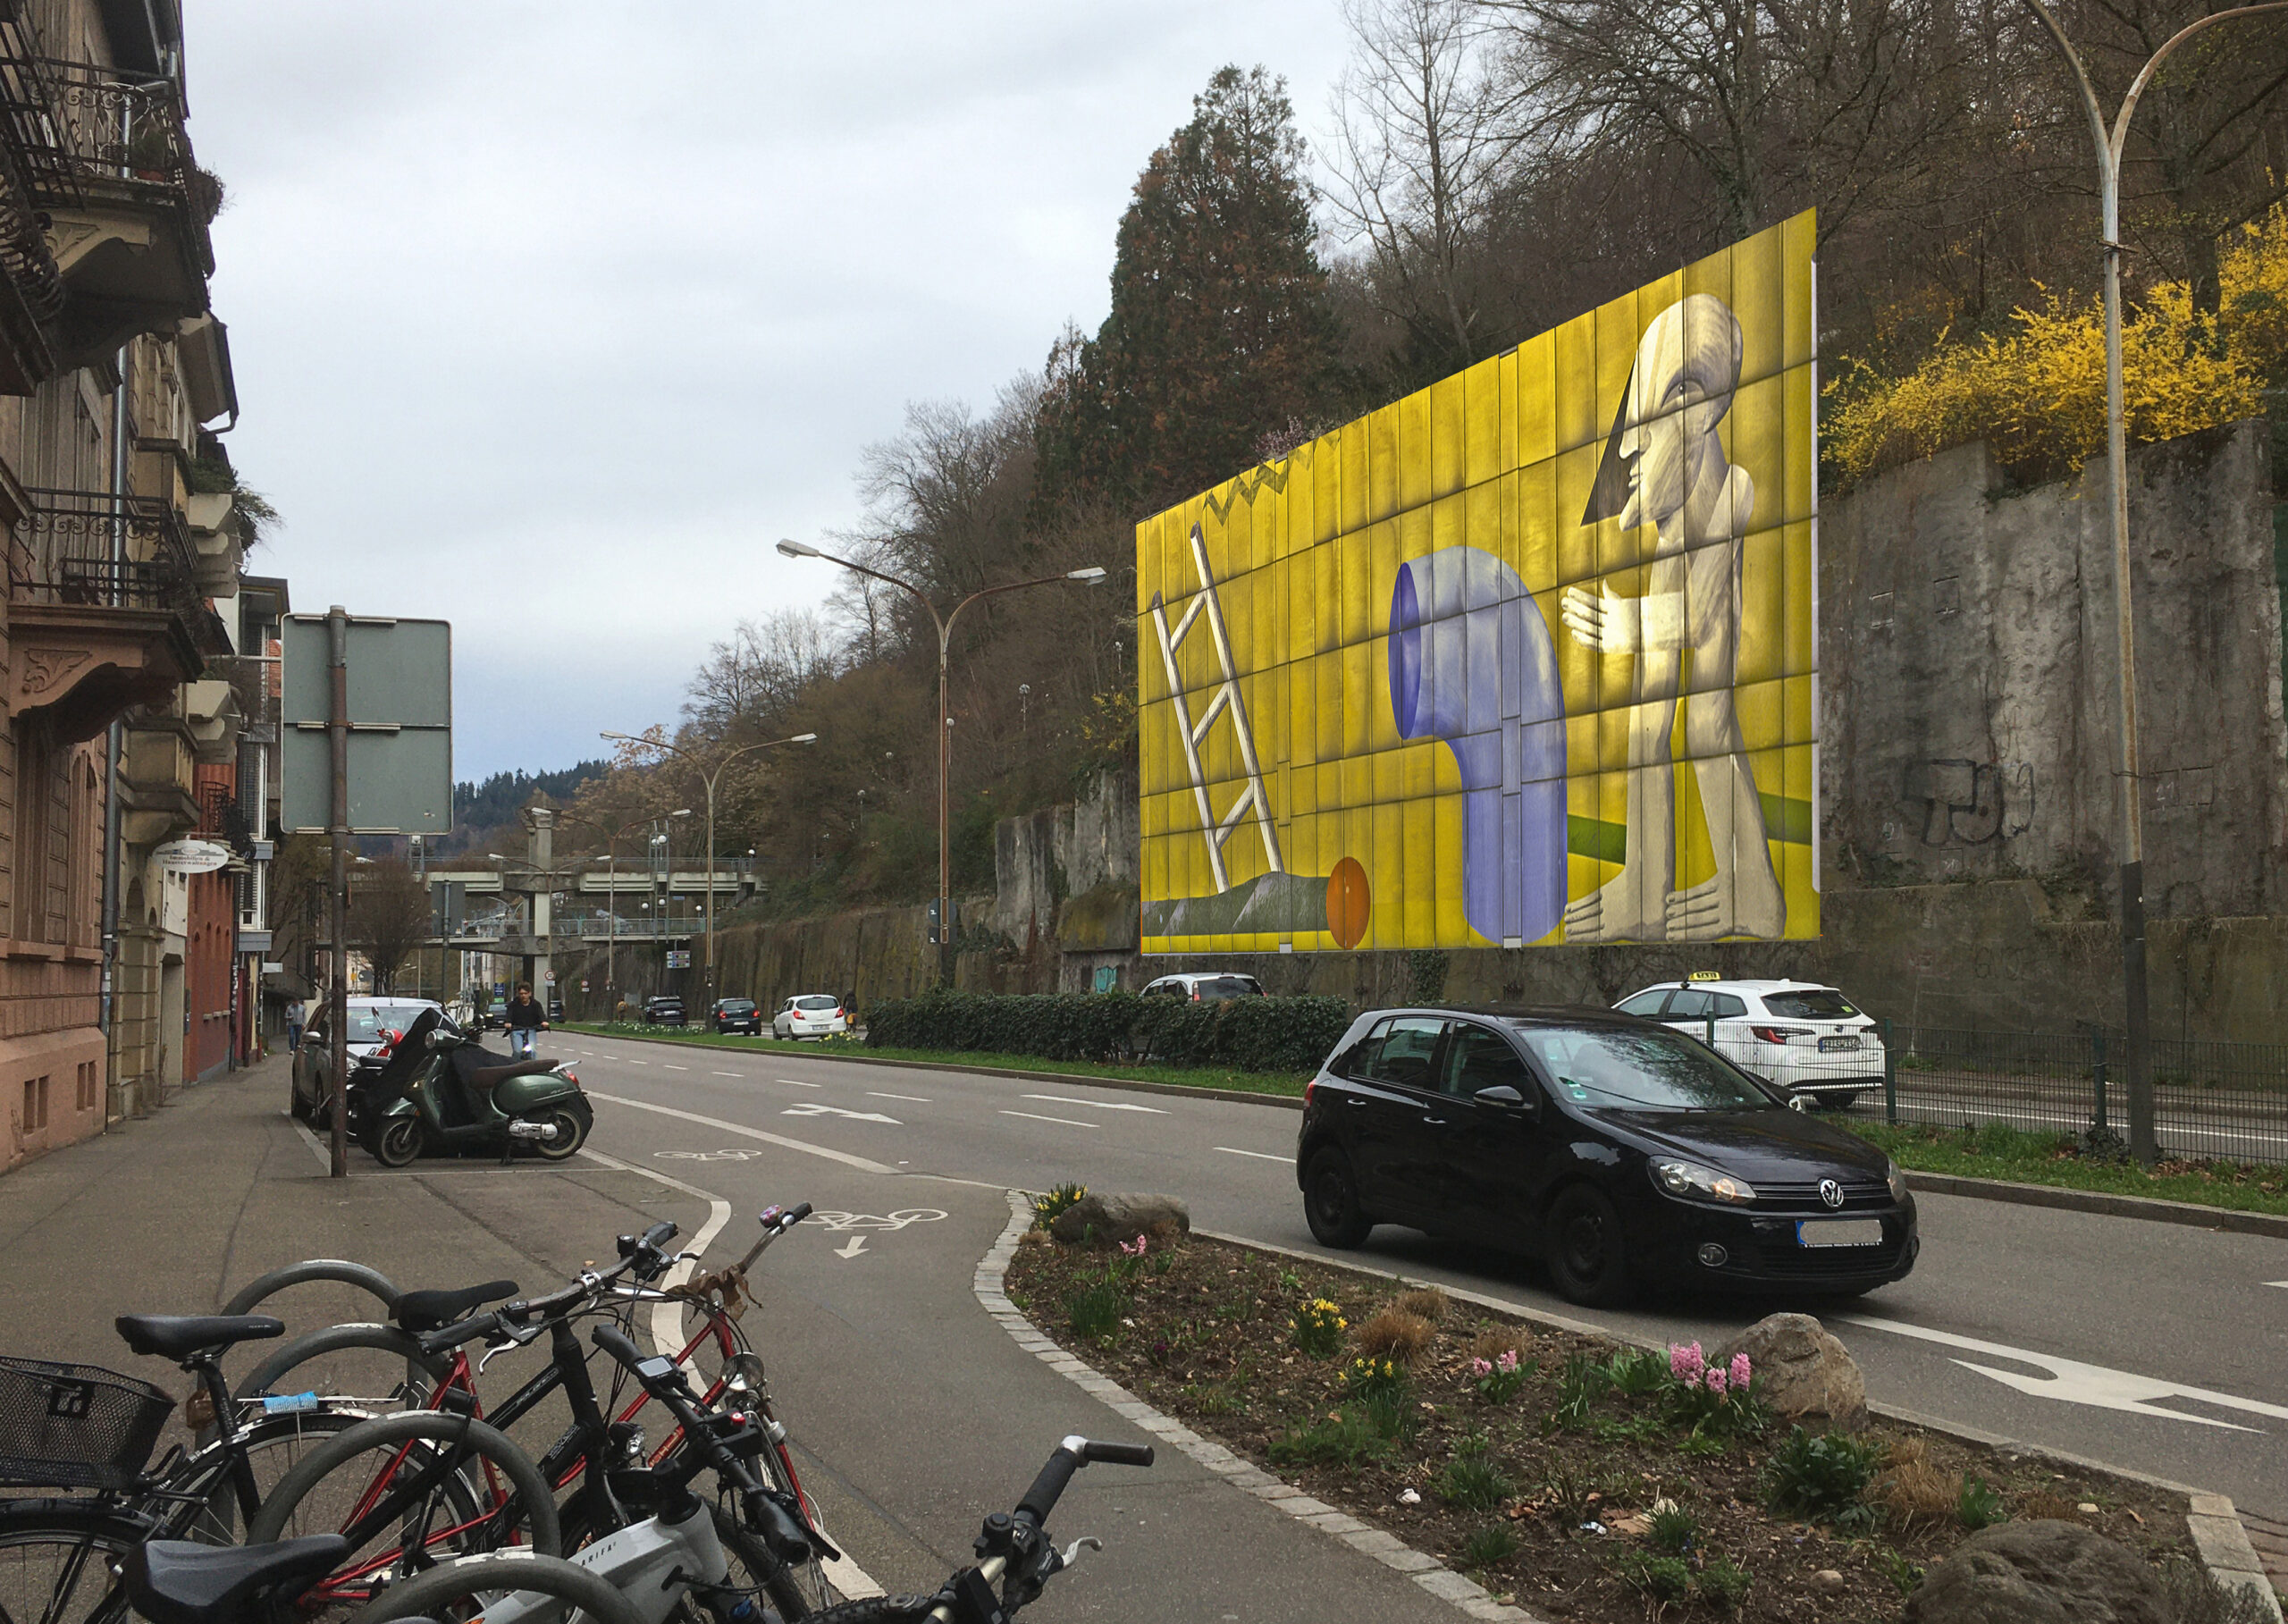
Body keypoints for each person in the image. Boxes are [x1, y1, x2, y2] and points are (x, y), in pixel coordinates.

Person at [1559, 292, 1785, 943]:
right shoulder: (1664, 541)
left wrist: (1630, 623)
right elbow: (1652, 712)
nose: (1628, 448)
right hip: (1669, 591)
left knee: (1709, 725)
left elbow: (1702, 610)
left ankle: (1755, 886)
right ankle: (1644, 883)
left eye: (1645, 423)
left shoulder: (1734, 489)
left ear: (1692, 410)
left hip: (1702, 633)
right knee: (1646, 726)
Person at [502, 983, 547, 1059]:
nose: (523, 996)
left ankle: (534, 1069)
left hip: (530, 1030)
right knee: (518, 1051)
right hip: (516, 1030)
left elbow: (541, 1015)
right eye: (521, 994)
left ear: (530, 994)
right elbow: (509, 1016)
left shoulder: (535, 1004)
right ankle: (515, 1065)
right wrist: (508, 1022)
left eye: (525, 993)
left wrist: (544, 1022)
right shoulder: (513, 1005)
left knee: (532, 1051)